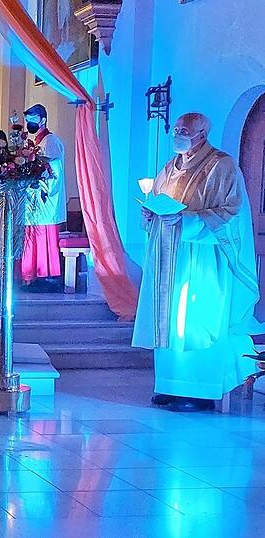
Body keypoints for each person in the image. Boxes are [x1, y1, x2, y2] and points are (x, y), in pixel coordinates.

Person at [133, 113, 259, 412]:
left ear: (203, 133)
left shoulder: (222, 164)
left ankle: (200, 391)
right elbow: (159, 201)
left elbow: (231, 213)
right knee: (168, 321)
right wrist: (151, 215)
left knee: (193, 323)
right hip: (169, 256)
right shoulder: (170, 166)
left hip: (202, 258)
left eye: (184, 130)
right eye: (176, 129)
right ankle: (169, 385)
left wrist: (185, 220)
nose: (178, 134)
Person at [20, 104, 66, 291]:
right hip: (34, 200)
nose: (29, 123)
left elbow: (53, 171)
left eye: (33, 119)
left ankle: (46, 276)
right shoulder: (38, 143)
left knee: (43, 236)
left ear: (43, 120)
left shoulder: (51, 142)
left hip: (46, 199)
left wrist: (37, 179)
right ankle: (32, 275)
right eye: (28, 120)